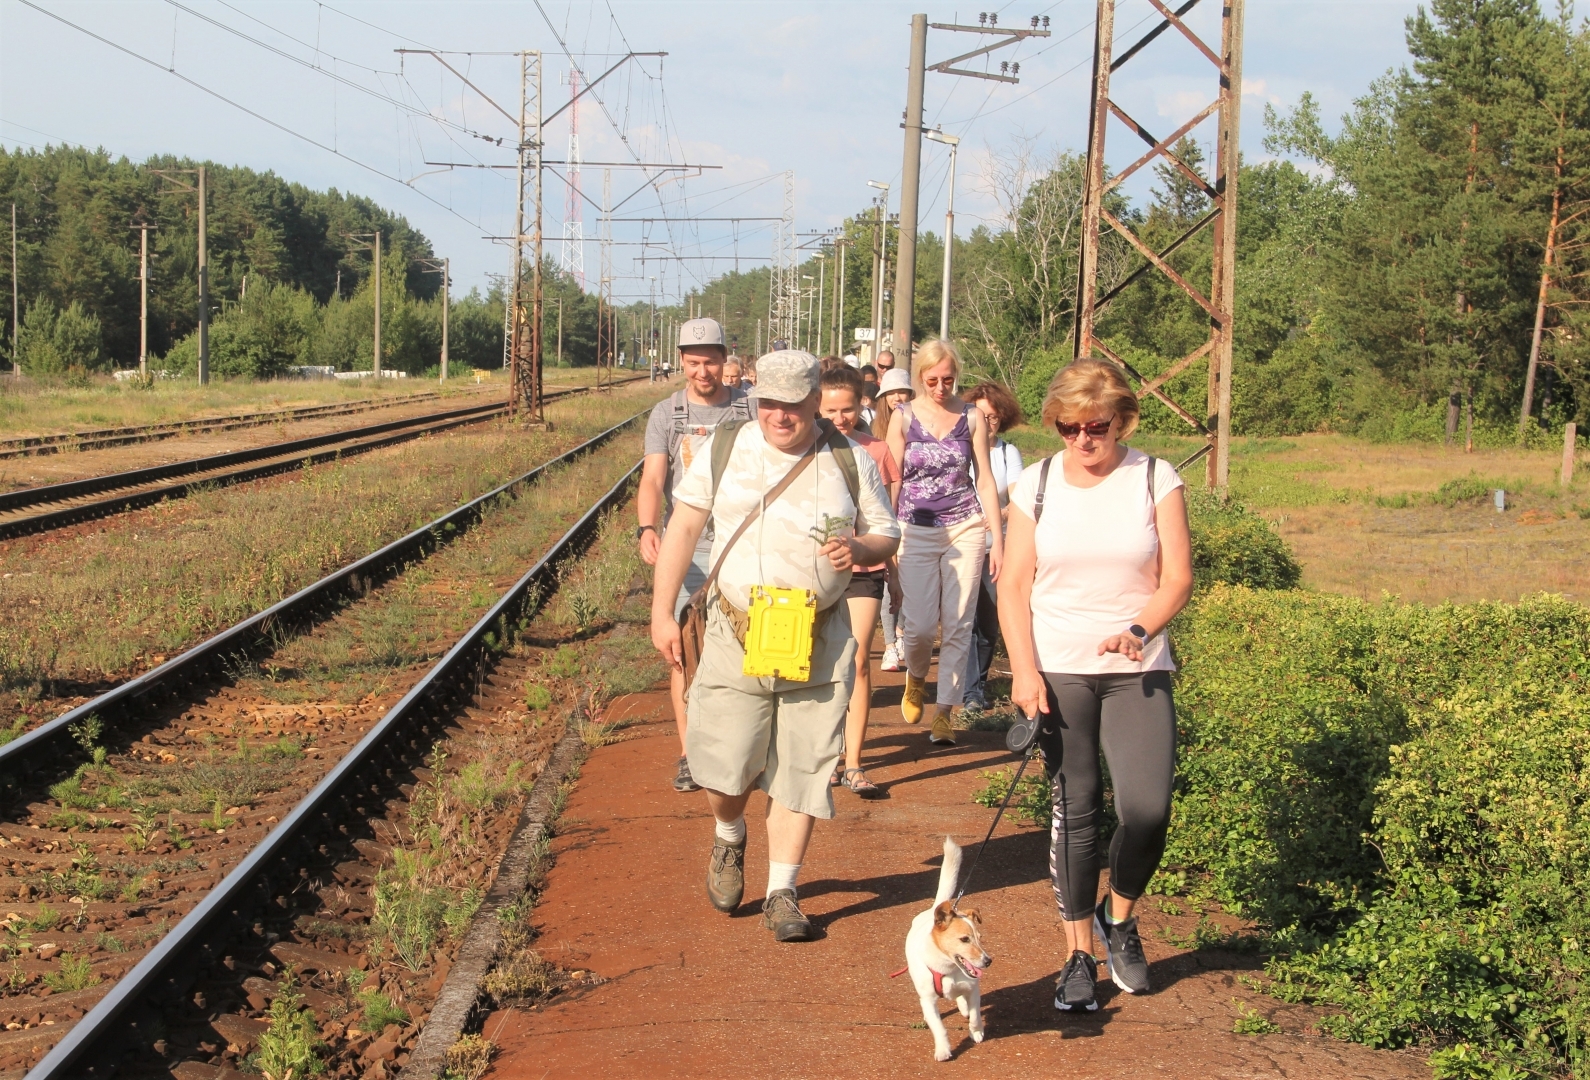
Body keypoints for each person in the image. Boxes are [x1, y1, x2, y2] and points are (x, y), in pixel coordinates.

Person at [651, 350, 900, 940]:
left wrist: (861, 551)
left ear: (817, 400)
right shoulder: (725, 446)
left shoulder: (846, 458)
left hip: (820, 633)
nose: (779, 417)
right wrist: (663, 612)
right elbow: (683, 525)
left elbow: (886, 530)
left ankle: (783, 891)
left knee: (804, 765)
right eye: (769, 404)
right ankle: (730, 834)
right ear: (755, 398)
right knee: (724, 768)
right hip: (736, 630)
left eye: (793, 406)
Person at [998, 358, 1193, 1013]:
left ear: (1123, 419)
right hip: (1059, 667)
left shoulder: (1155, 477)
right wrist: (1024, 670)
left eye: (1097, 427)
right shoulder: (1037, 483)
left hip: (1137, 666)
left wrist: (1141, 626)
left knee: (1147, 810)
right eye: (1069, 427)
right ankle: (1077, 954)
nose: (1084, 440)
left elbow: (1177, 579)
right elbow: (1014, 585)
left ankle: (1121, 917)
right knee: (1076, 810)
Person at [637, 318, 753, 793]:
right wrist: (647, 527)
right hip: (689, 550)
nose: (702, 370)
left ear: (724, 359)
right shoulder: (667, 415)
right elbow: (652, 479)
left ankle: (741, 750)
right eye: (693, 362)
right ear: (681, 360)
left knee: (746, 651)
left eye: (710, 361)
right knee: (684, 654)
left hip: (742, 544)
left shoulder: (750, 409)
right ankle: (689, 755)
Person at [886, 339, 1004, 747]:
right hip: (914, 528)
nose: (941, 388)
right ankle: (916, 678)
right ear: (921, 377)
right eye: (933, 380)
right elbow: (894, 478)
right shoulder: (902, 417)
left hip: (965, 526)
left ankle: (945, 713)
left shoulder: (971, 417)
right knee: (918, 627)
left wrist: (998, 539)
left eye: (949, 380)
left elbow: (985, 478)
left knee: (958, 623)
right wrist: (886, 533)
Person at [818, 365, 901, 799]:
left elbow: (886, 524)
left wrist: (895, 575)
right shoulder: (805, 451)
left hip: (864, 571)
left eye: (847, 409)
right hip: (814, 575)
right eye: (829, 409)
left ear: (860, 405)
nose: (839, 418)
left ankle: (853, 763)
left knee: (856, 662)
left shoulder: (875, 451)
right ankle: (825, 756)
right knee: (817, 665)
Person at [959, 382, 1024, 711]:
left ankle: (978, 683)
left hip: (996, 548)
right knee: (963, 619)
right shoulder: (958, 448)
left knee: (987, 621)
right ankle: (969, 692)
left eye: (994, 417)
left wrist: (999, 514)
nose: (987, 422)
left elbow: (1019, 499)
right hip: (960, 547)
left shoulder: (1007, 453)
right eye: (981, 415)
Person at [873, 366, 915, 670]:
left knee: (907, 582)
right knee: (889, 581)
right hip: (881, 510)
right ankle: (890, 644)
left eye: (903, 392)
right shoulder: (871, 428)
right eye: (892, 392)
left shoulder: (917, 425)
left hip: (911, 513)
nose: (898, 397)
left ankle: (901, 635)